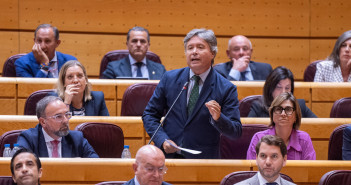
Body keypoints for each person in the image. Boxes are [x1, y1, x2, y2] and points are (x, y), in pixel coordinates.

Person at [142, 28, 242, 159]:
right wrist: (162, 139)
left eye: (200, 47)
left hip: (203, 161)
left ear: (212, 53)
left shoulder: (226, 88)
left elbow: (236, 132)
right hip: (168, 158)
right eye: (190, 48)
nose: (194, 52)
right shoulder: (170, 79)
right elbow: (149, 115)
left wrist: (219, 118)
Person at [17, 96, 99, 158]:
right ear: (43, 122)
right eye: (58, 116)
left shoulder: (77, 139)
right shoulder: (29, 138)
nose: (65, 120)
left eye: (67, 115)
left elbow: (95, 165)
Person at [247, 92, 316, 160]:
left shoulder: (304, 140)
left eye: (288, 109)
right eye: (278, 109)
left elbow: (310, 170)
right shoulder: (259, 138)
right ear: (272, 115)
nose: (283, 114)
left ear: (296, 116)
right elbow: (252, 170)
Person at [248, 66, 317, 118]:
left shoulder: (299, 106)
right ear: (270, 88)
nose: (283, 92)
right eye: (278, 87)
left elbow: (319, 126)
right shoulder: (258, 107)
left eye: (287, 88)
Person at [102, 26, 166, 79]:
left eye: (142, 41)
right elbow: (106, 91)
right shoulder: (113, 68)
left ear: (148, 46)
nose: (138, 45)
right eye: (134, 41)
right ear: (127, 44)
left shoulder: (160, 69)